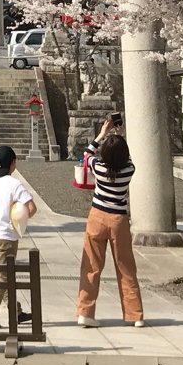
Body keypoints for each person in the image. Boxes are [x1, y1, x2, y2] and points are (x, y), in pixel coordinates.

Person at [76, 116, 143, 327]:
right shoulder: (128, 171)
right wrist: (120, 136)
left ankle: (85, 312)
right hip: (119, 220)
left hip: (97, 216)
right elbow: (128, 158)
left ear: (104, 153)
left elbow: (86, 155)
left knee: (91, 265)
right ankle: (135, 315)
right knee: (126, 267)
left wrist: (102, 134)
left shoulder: (98, 167)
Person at [0, 145, 36, 325]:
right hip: (7, 237)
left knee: (6, 273)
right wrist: (16, 217)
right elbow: (32, 208)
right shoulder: (14, 184)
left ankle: (16, 312)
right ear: (13, 164)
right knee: (2, 276)